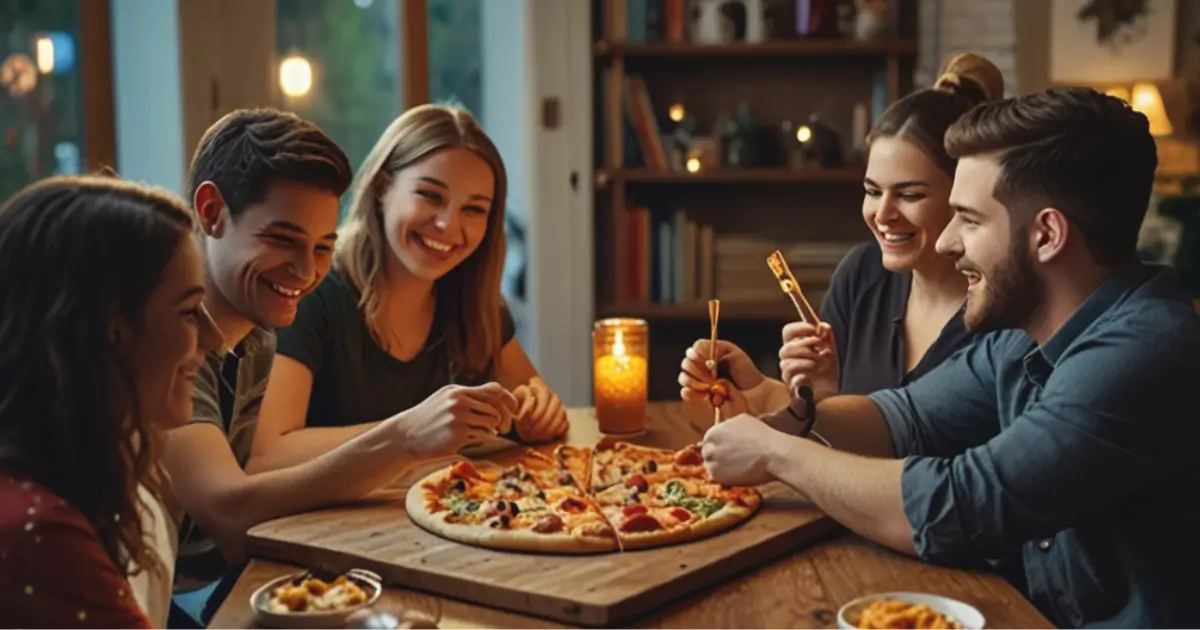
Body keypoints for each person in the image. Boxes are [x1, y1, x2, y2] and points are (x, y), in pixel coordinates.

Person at [700, 87, 1200, 628]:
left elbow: (958, 505)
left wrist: (777, 453)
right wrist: (786, 418)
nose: (946, 243)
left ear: (1047, 235)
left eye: (969, 219)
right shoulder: (1023, 331)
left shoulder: (1145, 352)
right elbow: (903, 419)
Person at [162, 108, 484, 625]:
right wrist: (402, 439)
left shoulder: (259, 331)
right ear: (211, 210)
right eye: (282, 240)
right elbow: (230, 515)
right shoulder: (164, 339)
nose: (306, 272)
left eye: (322, 247)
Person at [248, 103, 568, 475]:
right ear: (383, 187)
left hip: (442, 521)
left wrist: (538, 414)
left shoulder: (477, 303)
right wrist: (411, 433)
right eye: (431, 196)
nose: (448, 225)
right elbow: (268, 454)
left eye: (474, 209)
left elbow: (534, 403)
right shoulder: (312, 290)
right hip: (323, 529)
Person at [678, 53, 1004, 413]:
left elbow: (933, 460)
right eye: (872, 191)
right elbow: (828, 416)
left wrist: (822, 407)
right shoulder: (862, 275)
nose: (883, 215)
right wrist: (761, 394)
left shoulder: (1000, 315)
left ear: (964, 195)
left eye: (910, 195)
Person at [0, 175, 224, 627]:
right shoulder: (38, 536)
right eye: (187, 312)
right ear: (106, 331)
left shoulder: (119, 481)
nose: (213, 339)